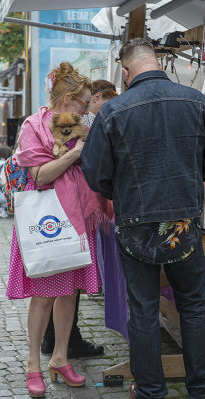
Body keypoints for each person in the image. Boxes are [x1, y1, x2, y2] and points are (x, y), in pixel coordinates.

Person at [81, 38, 205, 399]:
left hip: (135, 222)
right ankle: (202, 388)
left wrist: (122, 190)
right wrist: (192, 180)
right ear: (157, 63)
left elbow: (95, 174)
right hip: (183, 222)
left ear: (126, 71)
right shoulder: (197, 101)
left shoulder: (113, 111)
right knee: (193, 305)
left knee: (143, 309)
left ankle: (149, 390)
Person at [6, 62, 113, 398]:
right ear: (67, 100)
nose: (87, 107)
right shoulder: (33, 125)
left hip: (79, 217)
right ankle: (33, 364)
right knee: (43, 296)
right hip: (47, 223)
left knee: (70, 292)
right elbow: (39, 175)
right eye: (84, 102)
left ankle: (61, 358)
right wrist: (77, 153)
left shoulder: (81, 124)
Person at [41, 78, 117, 359]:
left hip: (66, 206)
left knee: (63, 279)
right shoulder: (72, 121)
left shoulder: (62, 119)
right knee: (66, 280)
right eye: (87, 100)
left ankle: (59, 340)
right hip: (68, 207)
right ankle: (62, 341)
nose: (89, 106)